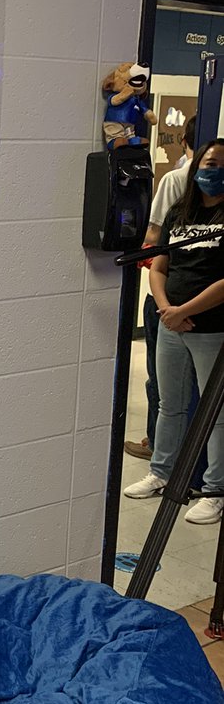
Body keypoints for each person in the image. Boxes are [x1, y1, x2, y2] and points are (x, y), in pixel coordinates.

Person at [124, 138, 224, 523]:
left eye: (220, 165)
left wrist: (185, 310)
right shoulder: (180, 212)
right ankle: (161, 473)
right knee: (170, 404)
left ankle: (214, 490)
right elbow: (159, 265)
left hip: (210, 326)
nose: (213, 171)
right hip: (171, 322)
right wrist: (167, 309)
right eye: (208, 164)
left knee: (215, 412)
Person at [124, 116, 197, 460]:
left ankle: (158, 445)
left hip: (168, 298)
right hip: (190, 300)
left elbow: (154, 237)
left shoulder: (175, 179)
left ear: (183, 140)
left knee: (161, 379)